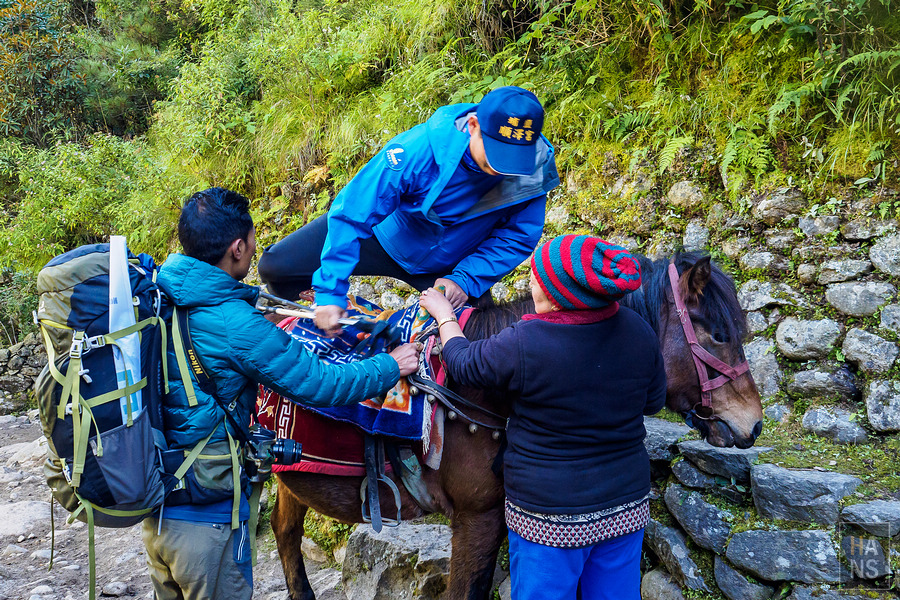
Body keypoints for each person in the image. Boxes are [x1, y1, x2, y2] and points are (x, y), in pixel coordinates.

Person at [142, 187, 419, 600]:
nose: (257, 248)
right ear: (237, 248)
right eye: (253, 240)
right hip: (210, 520)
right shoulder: (237, 326)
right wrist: (390, 366)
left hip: (160, 511)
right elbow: (322, 385)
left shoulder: (159, 296)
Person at [419, 235, 666, 600]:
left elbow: (463, 363)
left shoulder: (527, 340)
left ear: (557, 293)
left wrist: (445, 315)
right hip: (624, 510)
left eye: (536, 278)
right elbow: (652, 402)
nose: (530, 284)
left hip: (549, 521)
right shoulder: (639, 331)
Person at [257, 85, 560, 337]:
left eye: (513, 160)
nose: (501, 170)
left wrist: (464, 281)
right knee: (276, 265)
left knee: (479, 338)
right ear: (473, 126)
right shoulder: (417, 151)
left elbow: (517, 237)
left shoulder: (534, 172)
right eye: (496, 156)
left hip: (453, 264)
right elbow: (353, 213)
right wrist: (330, 291)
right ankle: (275, 334)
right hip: (383, 237)